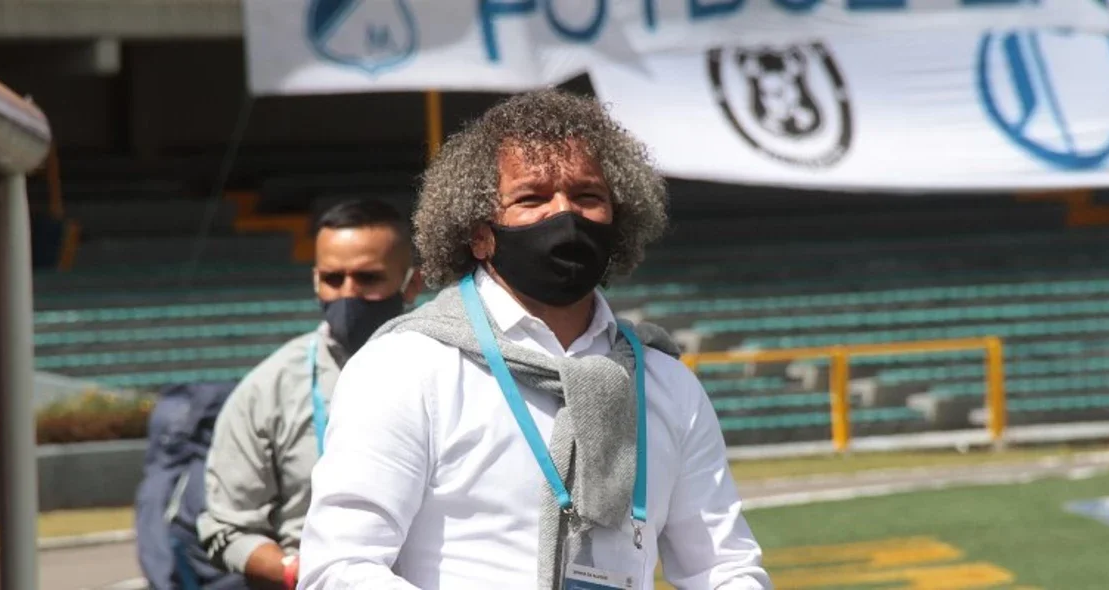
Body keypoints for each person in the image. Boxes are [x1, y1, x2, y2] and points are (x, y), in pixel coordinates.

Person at [297, 91, 771, 589]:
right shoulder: (404, 368)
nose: (564, 215)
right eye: (531, 198)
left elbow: (723, 568)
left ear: (619, 219)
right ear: (480, 234)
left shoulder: (666, 383)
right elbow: (339, 569)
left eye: (588, 197)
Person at [198, 198, 423, 590]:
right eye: (333, 279)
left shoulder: (454, 375)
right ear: (315, 280)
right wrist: (294, 569)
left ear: (412, 283)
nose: (347, 294)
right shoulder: (268, 389)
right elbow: (227, 527)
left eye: (368, 278)